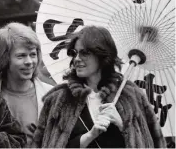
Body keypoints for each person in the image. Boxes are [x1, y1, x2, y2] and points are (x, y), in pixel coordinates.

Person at [30, 25, 167, 148]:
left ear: (102, 56)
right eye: (75, 53)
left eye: (85, 53)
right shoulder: (59, 100)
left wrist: (122, 125)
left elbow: (152, 144)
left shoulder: (131, 96)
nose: (77, 59)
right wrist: (90, 135)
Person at [0, 22, 53, 145]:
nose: (29, 62)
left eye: (33, 54)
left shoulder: (51, 95)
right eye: (21, 56)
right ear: (5, 58)